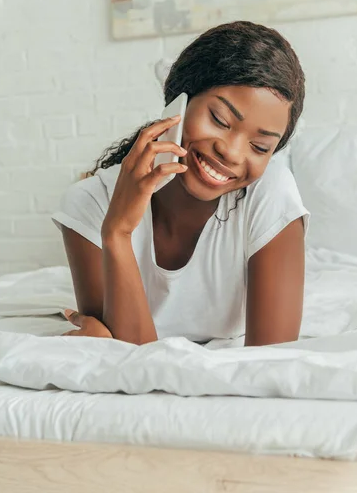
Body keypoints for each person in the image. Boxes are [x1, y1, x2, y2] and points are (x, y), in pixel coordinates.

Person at [52, 21, 309, 346]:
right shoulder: (89, 202)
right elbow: (132, 362)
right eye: (219, 120)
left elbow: (269, 362)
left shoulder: (270, 192)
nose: (230, 152)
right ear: (178, 103)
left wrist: (108, 340)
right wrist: (117, 232)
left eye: (259, 147)